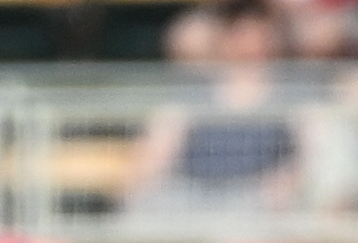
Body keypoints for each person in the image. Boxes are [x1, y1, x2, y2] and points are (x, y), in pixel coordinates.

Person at [127, 0, 311, 219]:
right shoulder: (190, 94)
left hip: (255, 200)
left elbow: (311, 154)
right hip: (191, 197)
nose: (249, 40)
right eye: (237, 29)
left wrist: (288, 182)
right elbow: (154, 155)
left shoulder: (294, 94)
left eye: (257, 29)